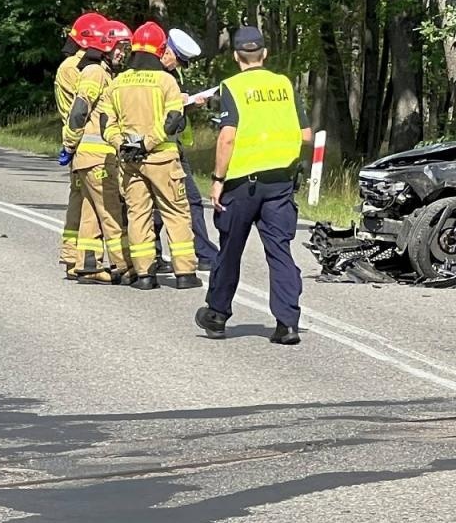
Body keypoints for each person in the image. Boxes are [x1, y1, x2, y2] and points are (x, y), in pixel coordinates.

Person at [195, 24, 312, 343]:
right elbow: (305, 135)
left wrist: (217, 180)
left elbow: (227, 137)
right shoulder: (284, 85)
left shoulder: (231, 86)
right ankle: (287, 322)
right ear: (265, 53)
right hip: (280, 182)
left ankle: (217, 315)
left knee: (230, 249)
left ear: (236, 56)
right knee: (280, 251)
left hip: (242, 184)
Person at [110, 21, 201, 289]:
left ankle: (145, 275)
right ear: (160, 49)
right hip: (161, 159)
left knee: (138, 214)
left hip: (129, 161)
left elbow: (107, 122)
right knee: (176, 213)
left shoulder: (118, 82)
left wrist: (123, 144)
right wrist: (148, 143)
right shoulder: (166, 81)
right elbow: (173, 119)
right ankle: (185, 274)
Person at [59, 21, 132, 282]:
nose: (123, 53)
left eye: (126, 49)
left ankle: (88, 264)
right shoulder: (95, 73)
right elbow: (80, 111)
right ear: (106, 47)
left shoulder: (102, 73)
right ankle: (127, 266)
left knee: (90, 211)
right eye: (119, 48)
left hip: (90, 158)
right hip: (97, 157)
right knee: (111, 212)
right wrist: (69, 143)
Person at [157, 26, 220, 271]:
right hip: (159, 148)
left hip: (173, 147)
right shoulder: (157, 76)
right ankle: (152, 254)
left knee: (191, 200)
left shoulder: (170, 76)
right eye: (177, 59)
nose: (178, 66)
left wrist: (192, 104)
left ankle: (202, 252)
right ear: (166, 50)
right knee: (161, 203)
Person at [56, 14, 107, 275]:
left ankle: (73, 257)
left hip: (79, 142)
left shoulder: (76, 66)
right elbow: (82, 107)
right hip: (84, 143)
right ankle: (80, 259)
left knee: (81, 199)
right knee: (84, 202)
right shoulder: (78, 68)